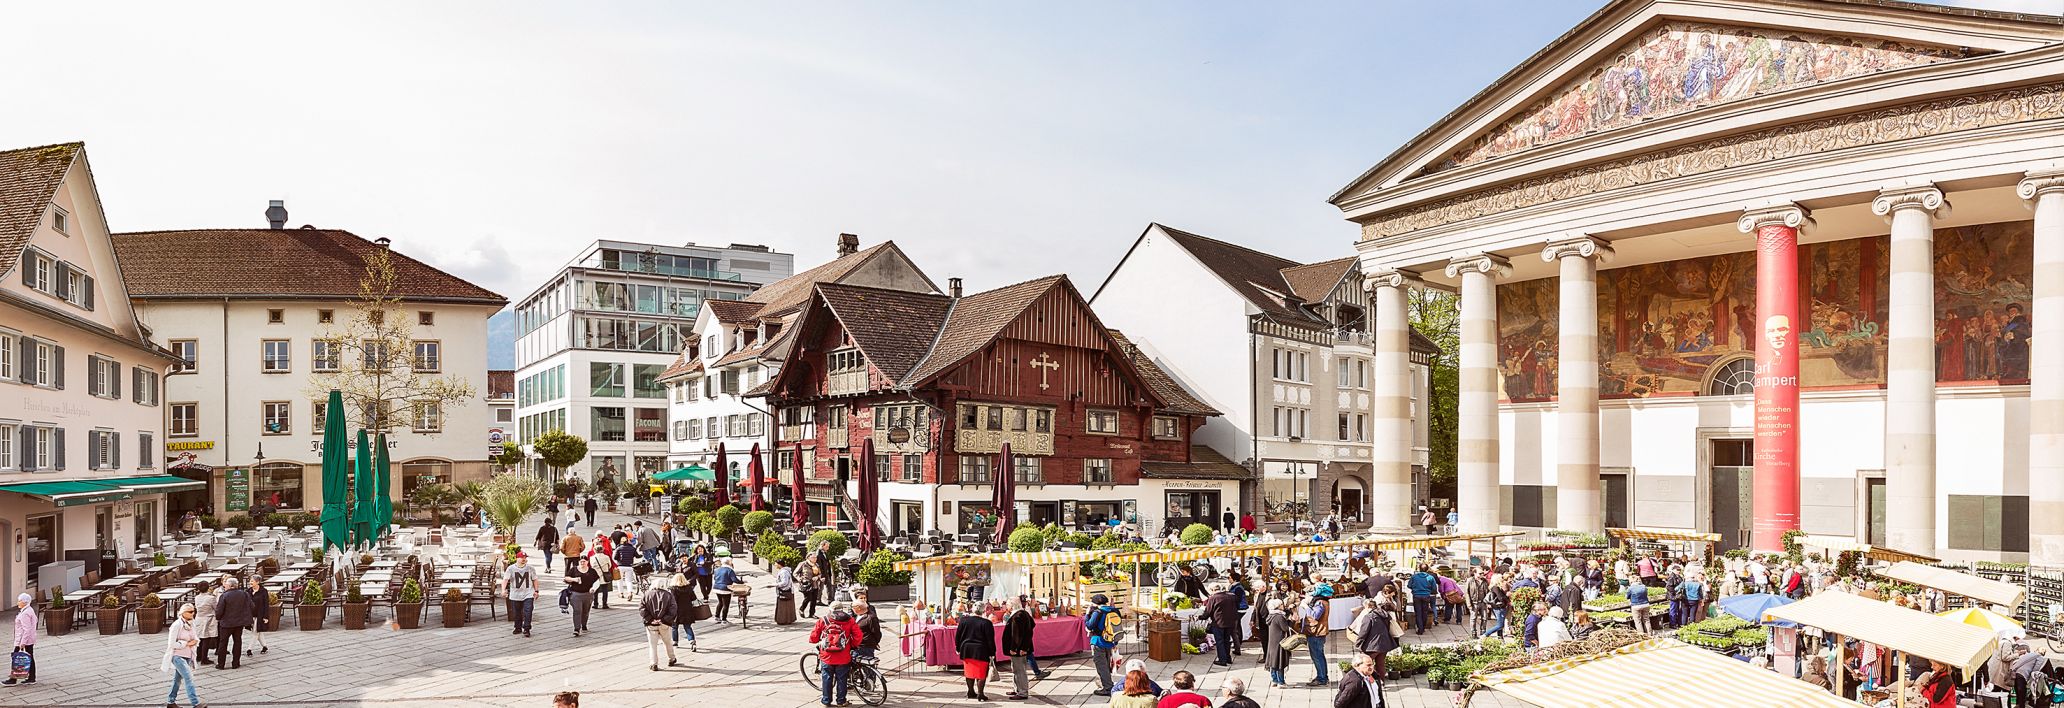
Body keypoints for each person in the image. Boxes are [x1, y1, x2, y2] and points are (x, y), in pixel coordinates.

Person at [809, 602, 861, 707]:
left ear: (830, 610)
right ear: (842, 610)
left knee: (826, 677)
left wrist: (816, 640)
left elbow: (814, 637)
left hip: (826, 656)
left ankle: (826, 701)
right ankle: (841, 701)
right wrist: (853, 645)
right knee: (842, 678)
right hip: (843, 656)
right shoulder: (849, 620)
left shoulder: (823, 620)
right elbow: (858, 635)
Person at [162, 602, 203, 707]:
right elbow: (172, 644)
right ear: (183, 612)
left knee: (177, 680)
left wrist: (195, 641)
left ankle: (171, 702)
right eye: (190, 612)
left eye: (194, 611)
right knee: (189, 678)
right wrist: (187, 643)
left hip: (188, 656)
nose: (193, 613)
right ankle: (195, 703)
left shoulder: (191, 623)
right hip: (177, 656)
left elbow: (195, 638)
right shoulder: (176, 625)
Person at [955, 601, 998, 701]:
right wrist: (992, 653)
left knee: (969, 672)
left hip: (966, 649)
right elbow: (990, 640)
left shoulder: (964, 620)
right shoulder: (987, 623)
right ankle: (980, 694)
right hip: (981, 650)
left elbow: (958, 636)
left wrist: (958, 648)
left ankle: (970, 691)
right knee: (981, 673)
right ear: (983, 610)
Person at [639, 575, 681, 672]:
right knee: (668, 642)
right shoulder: (668, 595)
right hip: (665, 623)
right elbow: (673, 609)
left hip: (651, 624)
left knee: (652, 645)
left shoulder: (647, 595)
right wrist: (663, 619)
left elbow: (642, 609)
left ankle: (653, 663)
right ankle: (672, 658)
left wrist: (650, 619)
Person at [1351, 595, 1399, 679]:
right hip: (1385, 642)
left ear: (1367, 606)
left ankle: (1368, 680)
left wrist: (1358, 643)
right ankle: (1381, 681)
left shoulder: (1369, 617)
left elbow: (1364, 632)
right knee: (1380, 663)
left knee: (1366, 664)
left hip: (1372, 645)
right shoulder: (1384, 614)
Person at [1086, 594, 1121, 696]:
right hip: (1110, 642)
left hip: (1098, 641)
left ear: (1095, 603)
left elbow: (1089, 625)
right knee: (1106, 664)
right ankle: (1106, 683)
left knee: (1101, 666)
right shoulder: (1114, 610)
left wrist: (1087, 614)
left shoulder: (1098, 612)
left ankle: (1107, 688)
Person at [1002, 596, 1036, 701]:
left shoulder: (1018, 616)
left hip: (1018, 649)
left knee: (1019, 670)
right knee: (1016, 668)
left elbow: (1017, 635)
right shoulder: (1024, 613)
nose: (1007, 606)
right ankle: (1017, 688)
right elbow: (1031, 626)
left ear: (1012, 605)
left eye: (1008, 604)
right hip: (1022, 648)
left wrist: (1015, 648)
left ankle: (1022, 692)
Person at [214, 577, 252, 669]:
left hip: (226, 623)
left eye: (226, 584)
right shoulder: (244, 594)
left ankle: (221, 664)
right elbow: (251, 606)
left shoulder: (224, 595)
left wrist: (218, 618)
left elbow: (219, 610)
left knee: (223, 643)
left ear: (230, 586)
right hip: (239, 623)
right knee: (237, 642)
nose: (225, 586)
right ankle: (236, 663)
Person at [1202, 582, 1241, 667]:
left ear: (1213, 590)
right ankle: (1228, 658)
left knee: (1220, 641)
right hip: (1230, 622)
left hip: (1219, 623)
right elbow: (1237, 607)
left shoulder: (1214, 598)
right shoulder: (1231, 596)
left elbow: (1208, 611)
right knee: (1227, 640)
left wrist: (1201, 617)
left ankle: (1222, 660)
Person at [1303, 586, 1333, 686]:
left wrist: (1306, 607)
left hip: (1316, 632)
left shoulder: (1319, 602)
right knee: (1319, 655)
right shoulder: (1322, 601)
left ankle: (1322, 678)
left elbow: (1315, 616)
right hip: (1317, 631)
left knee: (1317, 655)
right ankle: (1322, 676)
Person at [1263, 599, 1296, 688]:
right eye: (1281, 604)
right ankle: (1281, 681)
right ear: (1277, 606)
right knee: (1279, 661)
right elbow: (1285, 628)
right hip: (1280, 641)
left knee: (1273, 661)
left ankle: (1274, 679)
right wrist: (1291, 621)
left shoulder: (1271, 615)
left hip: (1272, 642)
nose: (1283, 606)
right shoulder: (1279, 616)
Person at [564, 557, 600, 637]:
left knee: (585, 611)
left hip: (588, 594)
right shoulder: (574, 569)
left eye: (584, 561)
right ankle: (576, 628)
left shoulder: (592, 571)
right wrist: (574, 579)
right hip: (575, 594)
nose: (582, 563)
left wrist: (593, 588)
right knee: (577, 611)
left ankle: (584, 624)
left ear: (587, 562)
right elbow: (566, 578)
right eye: (581, 561)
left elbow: (597, 581)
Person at [5, 593, 35, 686]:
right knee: (29, 657)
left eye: (19, 600)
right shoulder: (28, 610)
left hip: (23, 640)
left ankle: (13, 679)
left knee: (16, 658)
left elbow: (27, 629)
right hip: (27, 639)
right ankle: (31, 678)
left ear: (24, 602)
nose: (18, 602)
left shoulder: (25, 613)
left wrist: (22, 643)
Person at [505, 552, 538, 638]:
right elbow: (505, 580)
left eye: (525, 557)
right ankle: (518, 627)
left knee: (528, 610)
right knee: (516, 612)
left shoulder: (530, 568)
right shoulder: (511, 569)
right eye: (522, 557)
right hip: (515, 594)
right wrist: (503, 590)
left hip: (528, 593)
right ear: (517, 558)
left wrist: (536, 590)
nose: (524, 559)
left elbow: (535, 579)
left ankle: (527, 628)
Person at [851, 588, 883, 663]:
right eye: (861, 598)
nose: (863, 599)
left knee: (867, 664)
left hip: (866, 644)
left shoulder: (870, 617)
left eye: (864, 598)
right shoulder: (856, 615)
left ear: (858, 608)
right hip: (857, 644)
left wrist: (874, 642)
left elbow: (876, 632)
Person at [667, 573, 698, 651]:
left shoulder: (673, 589)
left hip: (676, 610)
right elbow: (693, 598)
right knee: (687, 626)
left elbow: (672, 601)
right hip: (687, 610)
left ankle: (675, 641)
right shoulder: (689, 588)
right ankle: (692, 641)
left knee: (674, 627)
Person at [193, 584, 220, 666]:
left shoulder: (197, 597)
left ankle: (198, 656)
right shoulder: (211, 598)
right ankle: (204, 658)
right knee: (206, 639)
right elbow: (216, 608)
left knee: (200, 638)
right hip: (209, 619)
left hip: (199, 618)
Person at [1407, 563, 1437, 634]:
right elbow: (1434, 588)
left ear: (1419, 569)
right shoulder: (1430, 577)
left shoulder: (1414, 577)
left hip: (1416, 596)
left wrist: (1415, 588)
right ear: (1427, 569)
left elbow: (1409, 585)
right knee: (1425, 612)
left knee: (1418, 613)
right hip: (1426, 596)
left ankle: (1420, 628)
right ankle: (1422, 627)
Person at [711, 558, 740, 625]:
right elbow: (734, 580)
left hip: (716, 588)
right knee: (726, 605)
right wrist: (741, 582)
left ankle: (717, 617)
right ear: (730, 563)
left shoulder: (717, 569)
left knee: (720, 602)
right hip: (725, 589)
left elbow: (715, 578)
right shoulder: (730, 570)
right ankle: (724, 619)